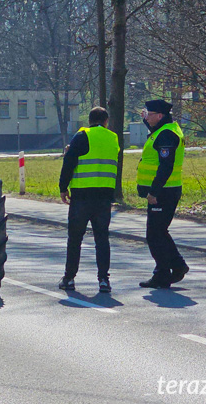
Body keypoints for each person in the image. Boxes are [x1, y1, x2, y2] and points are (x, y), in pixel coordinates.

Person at [57, 107, 119, 293]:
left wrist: (62, 187)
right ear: (106, 121)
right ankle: (103, 280)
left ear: (90, 121)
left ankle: (69, 278)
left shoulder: (82, 135)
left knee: (75, 239)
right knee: (102, 239)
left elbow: (69, 162)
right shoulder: (113, 138)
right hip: (104, 198)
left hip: (82, 197)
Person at [137, 99, 190, 289]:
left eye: (148, 114)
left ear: (159, 116)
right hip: (166, 190)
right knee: (159, 232)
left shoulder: (166, 134)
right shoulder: (164, 130)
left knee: (154, 234)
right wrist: (146, 119)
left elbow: (166, 167)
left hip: (163, 192)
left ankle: (163, 273)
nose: (146, 116)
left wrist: (154, 191)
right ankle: (176, 266)